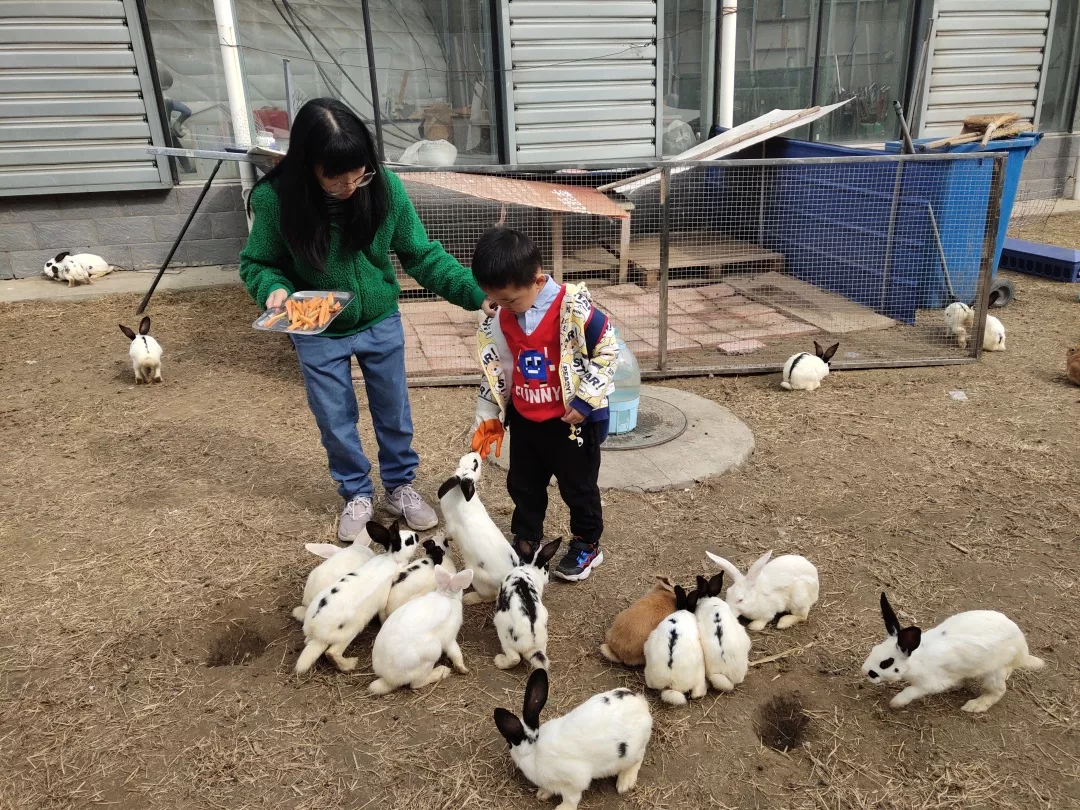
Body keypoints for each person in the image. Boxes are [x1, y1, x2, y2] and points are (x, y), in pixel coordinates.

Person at [239, 98, 495, 539]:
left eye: (360, 176)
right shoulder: (275, 200)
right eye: (337, 182)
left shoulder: (385, 189)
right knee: (334, 418)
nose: (352, 188)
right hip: (315, 324)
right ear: (307, 167)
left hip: (379, 319)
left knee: (394, 412)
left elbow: (422, 255)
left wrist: (475, 293)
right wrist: (272, 289)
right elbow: (258, 263)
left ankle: (399, 486)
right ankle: (356, 492)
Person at [469, 227, 618, 582]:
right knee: (523, 484)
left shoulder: (575, 309)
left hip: (571, 420)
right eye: (494, 300)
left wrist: (585, 400)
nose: (501, 307)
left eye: (508, 300)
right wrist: (489, 416)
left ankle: (587, 543)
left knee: (578, 486)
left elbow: (608, 353)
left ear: (537, 281)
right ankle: (526, 541)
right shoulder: (503, 316)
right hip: (525, 418)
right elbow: (498, 369)